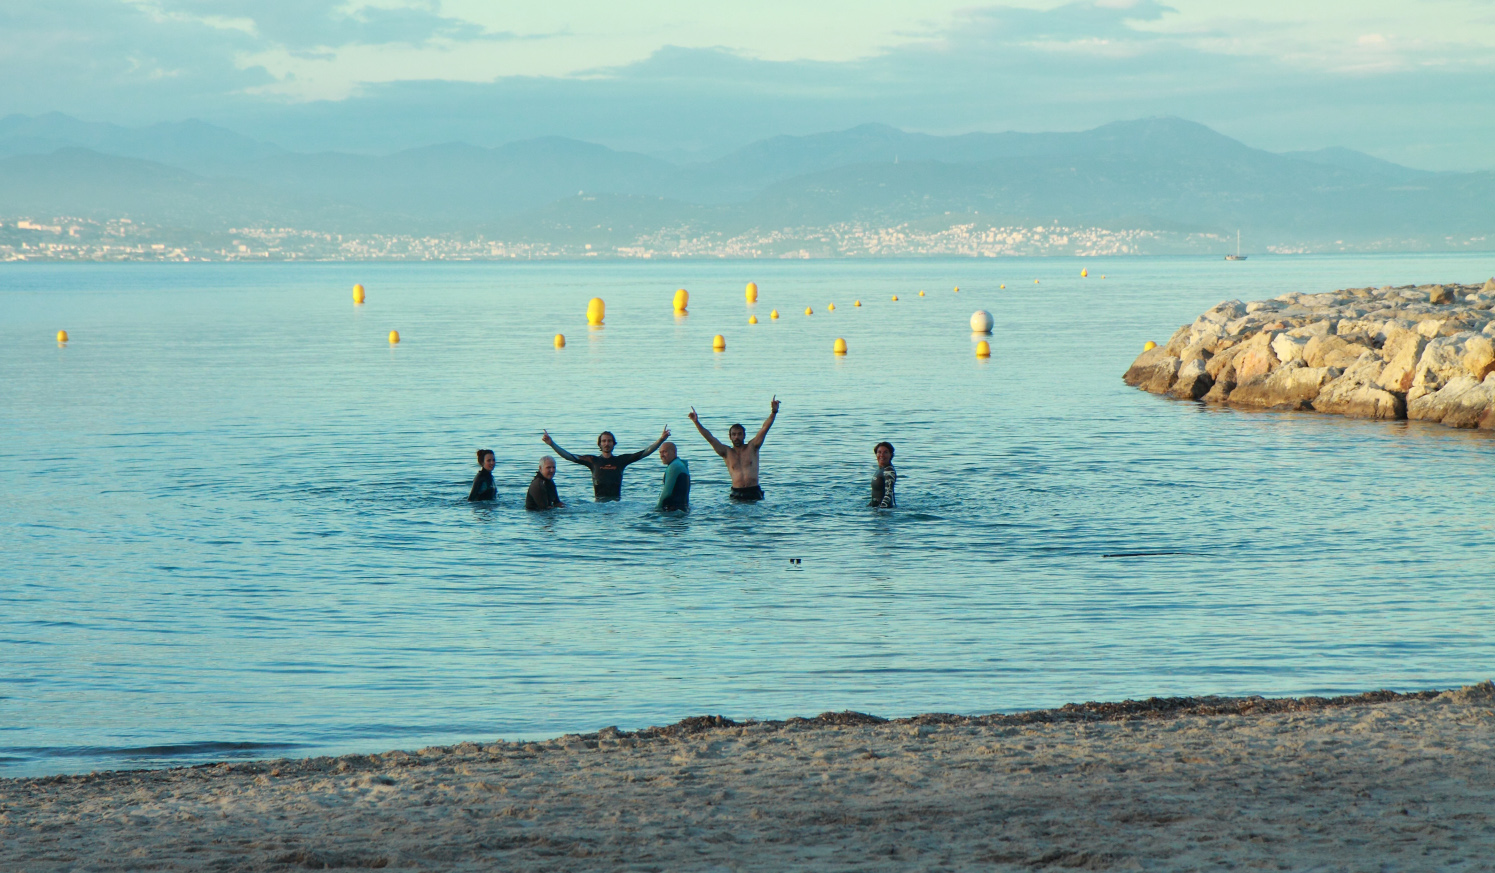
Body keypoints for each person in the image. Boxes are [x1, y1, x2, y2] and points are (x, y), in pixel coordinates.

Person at [688, 397, 778, 501]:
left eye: (739, 434)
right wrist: (696, 422)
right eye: (734, 434)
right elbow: (710, 438)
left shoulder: (752, 447)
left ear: (744, 435)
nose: (736, 437)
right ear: (730, 437)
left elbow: (764, 428)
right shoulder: (726, 452)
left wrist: (774, 412)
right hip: (736, 493)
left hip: (754, 492)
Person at [542, 427, 669, 501]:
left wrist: (661, 439)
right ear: (600, 444)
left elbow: (644, 452)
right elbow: (569, 456)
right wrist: (552, 443)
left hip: (616, 503)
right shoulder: (592, 461)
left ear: (614, 443)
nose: (606, 443)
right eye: (604, 441)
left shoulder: (621, 460)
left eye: (609, 441)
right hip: (599, 503)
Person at [655, 442, 690, 511]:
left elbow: (666, 493)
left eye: (665, 452)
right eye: (660, 452)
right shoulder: (681, 464)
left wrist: (657, 509)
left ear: (674, 452)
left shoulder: (673, 467)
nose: (662, 455)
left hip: (672, 511)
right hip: (684, 509)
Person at [870, 441, 896, 508]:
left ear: (891, 454)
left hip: (884, 511)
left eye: (885, 452)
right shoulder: (880, 469)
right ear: (876, 454)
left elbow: (888, 494)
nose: (882, 455)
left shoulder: (889, 471)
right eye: (879, 452)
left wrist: (882, 511)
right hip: (877, 509)